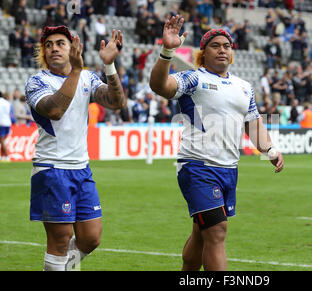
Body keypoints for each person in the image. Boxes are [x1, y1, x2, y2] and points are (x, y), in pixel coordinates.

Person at [149, 16, 284, 271]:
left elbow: (253, 123)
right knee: (217, 231)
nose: (222, 49)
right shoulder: (193, 79)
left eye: (226, 46)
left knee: (202, 234)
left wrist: (270, 149)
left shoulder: (244, 87)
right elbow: (160, 86)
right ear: (204, 52)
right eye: (215, 45)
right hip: (198, 166)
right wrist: (167, 51)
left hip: (229, 169)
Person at [25, 25, 126, 271]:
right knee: (59, 242)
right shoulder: (37, 81)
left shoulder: (88, 78)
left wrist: (109, 66)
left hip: (82, 169)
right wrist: (77, 70)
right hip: (52, 169)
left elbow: (116, 102)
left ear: (73, 48)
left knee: (91, 238)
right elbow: (55, 111)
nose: (54, 48)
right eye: (48, 45)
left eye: (60, 43)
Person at [0, 92, 14, 162]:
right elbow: (11, 113)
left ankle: (7, 155)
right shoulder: (7, 103)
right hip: (7, 123)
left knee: (2, 140)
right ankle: (2, 157)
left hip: (1, 123)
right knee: (3, 140)